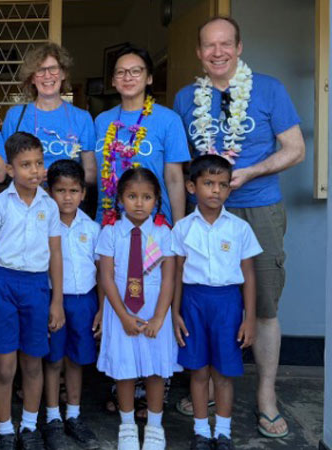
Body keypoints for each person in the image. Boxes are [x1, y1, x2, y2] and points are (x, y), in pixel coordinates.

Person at [172, 16, 305, 438]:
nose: (217, 52)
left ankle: (266, 397)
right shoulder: (185, 98)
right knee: (202, 297)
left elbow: (295, 150)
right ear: (199, 52)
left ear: (239, 46)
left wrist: (249, 172)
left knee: (263, 304)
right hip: (202, 215)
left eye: (225, 44)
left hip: (258, 208)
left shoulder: (269, 89)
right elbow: (179, 163)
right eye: (209, 45)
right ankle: (207, 387)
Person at [0, 131, 64, 450]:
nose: (35, 170)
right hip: (2, 285)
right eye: (25, 164)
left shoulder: (50, 206)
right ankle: (4, 429)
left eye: (39, 163)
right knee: (4, 364)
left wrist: (57, 301)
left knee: (33, 361)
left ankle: (28, 427)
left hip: (37, 287)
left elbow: (55, 255)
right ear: (10, 169)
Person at [171, 155, 261, 450]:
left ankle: (222, 432)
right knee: (198, 371)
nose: (215, 191)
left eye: (223, 185)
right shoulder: (183, 228)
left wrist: (249, 318)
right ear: (191, 186)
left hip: (227, 304)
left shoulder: (239, 229)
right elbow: (177, 272)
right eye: (208, 183)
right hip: (194, 303)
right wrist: (175, 313)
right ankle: (200, 432)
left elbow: (248, 273)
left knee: (223, 373)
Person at [96, 168, 179, 450]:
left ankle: (155, 428)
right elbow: (106, 276)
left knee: (156, 369)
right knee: (125, 369)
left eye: (146, 197)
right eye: (132, 196)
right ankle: (128, 425)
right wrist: (122, 316)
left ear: (157, 199)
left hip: (156, 309)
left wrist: (159, 317)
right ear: (120, 199)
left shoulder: (163, 233)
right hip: (120, 311)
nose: (139, 203)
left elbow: (169, 277)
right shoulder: (111, 232)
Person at [42, 159, 101, 450]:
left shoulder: (92, 228)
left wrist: (101, 308)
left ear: (83, 194)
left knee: (77, 359)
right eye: (60, 190)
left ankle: (73, 415)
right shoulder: (44, 227)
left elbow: (102, 271)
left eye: (73, 190)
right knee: (53, 359)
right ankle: (53, 417)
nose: (67, 197)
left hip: (84, 301)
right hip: (55, 300)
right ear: (49, 192)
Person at [94, 45, 189, 226]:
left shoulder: (169, 120)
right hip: (108, 224)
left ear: (149, 78)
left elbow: (175, 179)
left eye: (136, 71)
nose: (128, 77)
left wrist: (179, 230)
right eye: (120, 72)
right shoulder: (101, 121)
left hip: (155, 224)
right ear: (113, 80)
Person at [2, 43, 96, 182]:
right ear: (32, 78)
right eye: (40, 70)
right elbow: (5, 168)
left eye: (53, 69)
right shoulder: (15, 116)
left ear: (63, 74)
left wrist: (58, 179)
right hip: (26, 200)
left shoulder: (82, 118)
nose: (47, 76)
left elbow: (91, 174)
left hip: (66, 200)